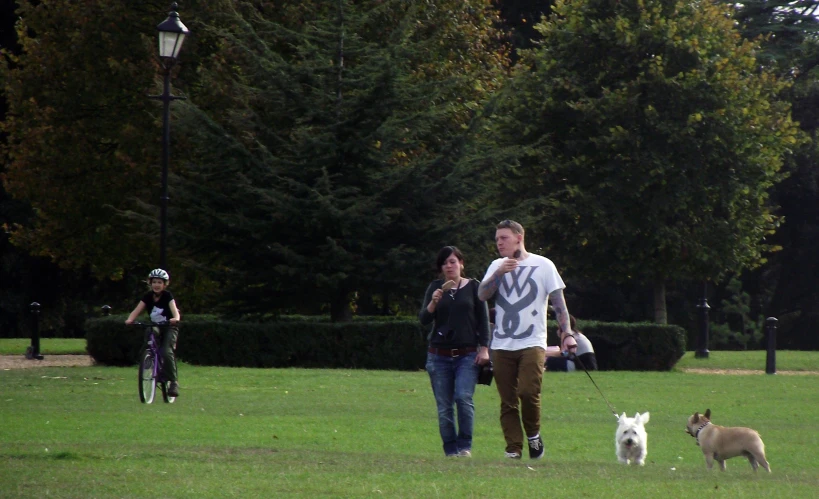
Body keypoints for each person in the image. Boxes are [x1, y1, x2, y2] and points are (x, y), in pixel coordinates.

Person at [478, 220, 577, 459]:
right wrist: (499, 273)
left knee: (527, 392)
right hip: (501, 344)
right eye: (497, 239)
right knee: (507, 400)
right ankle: (513, 448)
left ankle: (533, 435)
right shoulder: (496, 265)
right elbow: (482, 295)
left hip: (532, 342)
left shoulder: (543, 265)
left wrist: (567, 335)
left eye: (504, 238)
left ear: (519, 238)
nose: (499, 243)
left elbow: (559, 304)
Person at [419, 246, 491, 457]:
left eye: (452, 261)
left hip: (467, 354)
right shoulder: (435, 287)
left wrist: (485, 349)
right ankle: (450, 449)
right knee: (444, 406)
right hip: (438, 355)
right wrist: (434, 302)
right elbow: (423, 320)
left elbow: (483, 322)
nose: (449, 266)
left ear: (461, 263)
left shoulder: (474, 287)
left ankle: (464, 446)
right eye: (444, 263)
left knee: (463, 397)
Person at [125, 268, 182, 397]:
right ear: (150, 283)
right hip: (155, 325)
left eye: (159, 282)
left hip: (169, 326)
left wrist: (175, 319)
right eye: (154, 282)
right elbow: (137, 310)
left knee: (166, 351)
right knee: (150, 332)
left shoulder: (167, 296)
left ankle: (173, 382)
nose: (156, 285)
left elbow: (175, 312)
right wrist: (130, 319)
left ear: (164, 284)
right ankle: (148, 355)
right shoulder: (147, 297)